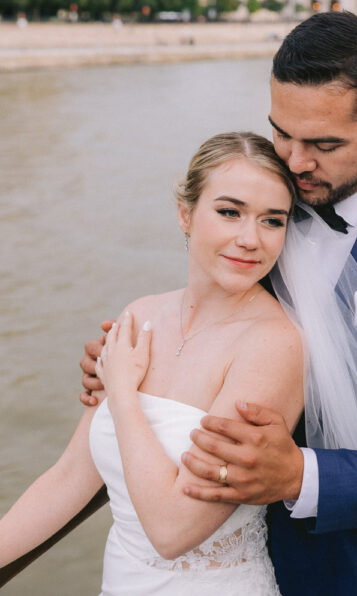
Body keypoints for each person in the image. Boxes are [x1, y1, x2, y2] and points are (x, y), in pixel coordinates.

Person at [78, 13, 357, 594]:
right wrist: (126, 369)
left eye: (323, 144)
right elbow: (211, 319)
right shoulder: (261, 204)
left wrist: (300, 474)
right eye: (281, 134)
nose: (293, 163)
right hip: (224, 553)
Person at [0, 133, 304, 595]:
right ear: (185, 214)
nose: (250, 239)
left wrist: (122, 396)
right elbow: (68, 479)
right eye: (229, 212)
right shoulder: (140, 316)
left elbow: (173, 531)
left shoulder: (273, 345)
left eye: (272, 220)